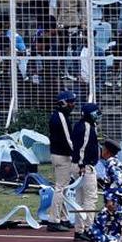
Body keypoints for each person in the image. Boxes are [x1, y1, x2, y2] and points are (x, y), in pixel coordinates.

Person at [70, 102, 101, 241]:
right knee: (90, 198)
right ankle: (89, 229)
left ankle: (79, 230)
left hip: (79, 165)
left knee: (80, 199)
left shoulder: (81, 125)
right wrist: (82, 164)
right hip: (85, 166)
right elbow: (81, 147)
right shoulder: (86, 127)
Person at [47, 91, 77, 231]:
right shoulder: (60, 117)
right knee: (60, 188)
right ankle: (53, 220)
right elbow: (68, 139)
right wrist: (76, 155)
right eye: (70, 102)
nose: (73, 104)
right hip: (62, 156)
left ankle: (63, 218)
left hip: (58, 155)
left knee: (63, 188)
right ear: (63, 103)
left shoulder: (58, 116)